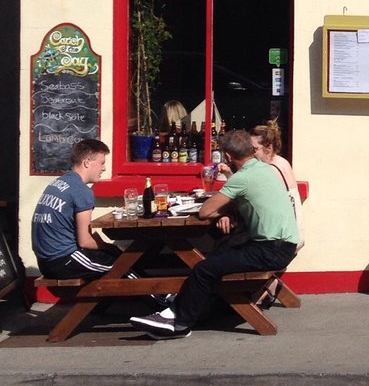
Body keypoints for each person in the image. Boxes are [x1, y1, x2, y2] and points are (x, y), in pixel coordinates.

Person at [130, 129, 299, 339]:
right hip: (284, 245)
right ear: (251, 149)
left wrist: (222, 209)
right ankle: (180, 307)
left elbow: (204, 211)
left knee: (204, 269)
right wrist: (227, 210)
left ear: (228, 156)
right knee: (221, 250)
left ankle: (181, 324)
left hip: (271, 250)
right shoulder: (264, 169)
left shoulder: (243, 178)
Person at [31, 138, 121, 278]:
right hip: (63, 260)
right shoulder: (81, 190)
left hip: (46, 261)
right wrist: (110, 247)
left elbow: (85, 233)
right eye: (101, 163)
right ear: (87, 163)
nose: (103, 168)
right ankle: (164, 298)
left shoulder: (59, 183)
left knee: (118, 258)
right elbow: (85, 241)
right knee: (122, 264)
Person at [250, 120, 304, 306]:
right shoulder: (282, 162)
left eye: (254, 148)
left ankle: (267, 286)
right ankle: (269, 286)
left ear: (268, 147)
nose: (251, 153)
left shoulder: (270, 170)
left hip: (281, 236)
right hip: (295, 230)